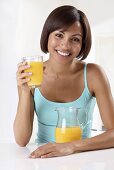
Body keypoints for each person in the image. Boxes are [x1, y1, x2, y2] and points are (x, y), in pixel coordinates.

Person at [14, 5, 114, 158]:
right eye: (59, 35)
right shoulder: (31, 74)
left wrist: (71, 146)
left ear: (82, 45)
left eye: (75, 39)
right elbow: (21, 140)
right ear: (47, 35)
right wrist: (25, 91)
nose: (65, 45)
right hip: (43, 159)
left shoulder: (94, 74)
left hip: (82, 158)